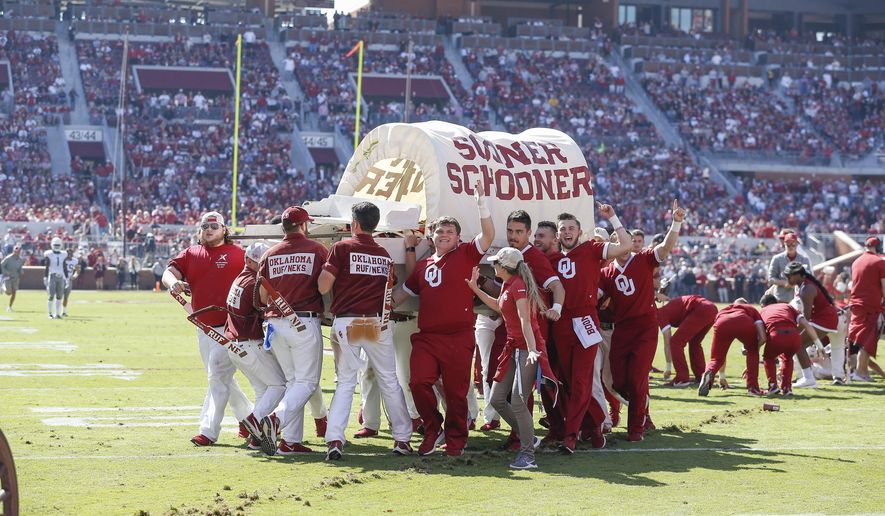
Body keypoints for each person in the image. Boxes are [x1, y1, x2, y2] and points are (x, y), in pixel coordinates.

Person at [393, 185, 494, 457]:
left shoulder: (466, 254)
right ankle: (432, 427)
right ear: (432, 236)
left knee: (455, 391)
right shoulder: (425, 267)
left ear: (458, 238)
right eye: (440, 231)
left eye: (450, 232)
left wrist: (481, 203)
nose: (444, 235)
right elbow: (402, 294)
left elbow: (489, 235)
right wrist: (373, 306)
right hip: (427, 336)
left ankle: (456, 437)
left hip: (458, 335)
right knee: (417, 382)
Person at [319, 201, 413, 460]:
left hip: (347, 322)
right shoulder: (383, 254)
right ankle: (403, 438)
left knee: (346, 383)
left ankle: (335, 437)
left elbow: (323, 287)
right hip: (374, 323)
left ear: (354, 223)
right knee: (389, 380)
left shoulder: (341, 248)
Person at [163, 211, 253, 446]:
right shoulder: (191, 253)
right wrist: (175, 284)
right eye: (205, 226)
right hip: (203, 326)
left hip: (231, 326)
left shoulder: (239, 254)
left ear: (224, 229)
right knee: (220, 377)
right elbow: (168, 273)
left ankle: (208, 430)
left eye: (214, 225)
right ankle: (249, 420)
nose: (209, 229)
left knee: (217, 376)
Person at [600, 200, 685, 442]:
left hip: (645, 327)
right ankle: (639, 404)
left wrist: (676, 222)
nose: (625, 247)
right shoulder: (606, 273)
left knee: (638, 378)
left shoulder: (644, 259)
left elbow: (667, 247)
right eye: (619, 242)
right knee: (616, 379)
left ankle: (635, 428)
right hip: (622, 328)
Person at [549, 207, 632, 453]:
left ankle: (570, 436)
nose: (566, 232)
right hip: (561, 323)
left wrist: (613, 218)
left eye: (571, 228)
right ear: (557, 234)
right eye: (562, 229)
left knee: (582, 379)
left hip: (586, 320)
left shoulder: (591, 249)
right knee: (569, 382)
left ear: (579, 232)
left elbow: (625, 246)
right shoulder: (550, 258)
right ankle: (595, 424)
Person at [255, 206, 330, 456]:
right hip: (303, 320)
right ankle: (276, 421)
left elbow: (263, 296)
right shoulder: (317, 249)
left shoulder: (270, 253)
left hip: (275, 323)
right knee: (307, 382)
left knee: (293, 382)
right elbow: (326, 284)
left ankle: (291, 441)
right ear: (304, 225)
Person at [466, 248, 548, 469]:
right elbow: (498, 306)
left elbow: (525, 321)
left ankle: (528, 454)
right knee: (497, 399)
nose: (493, 266)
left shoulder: (518, 285)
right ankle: (529, 439)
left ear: (504, 266)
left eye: (496, 263)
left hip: (524, 348)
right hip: (515, 348)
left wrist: (532, 350)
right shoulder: (509, 284)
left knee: (519, 401)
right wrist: (476, 288)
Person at [224, 242, 288, 453]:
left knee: (263, 389)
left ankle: (256, 439)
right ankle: (254, 419)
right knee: (279, 385)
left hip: (235, 344)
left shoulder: (240, 278)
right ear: (250, 261)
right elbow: (265, 310)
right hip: (248, 343)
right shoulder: (253, 282)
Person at [783, 261, 840, 388]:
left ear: (798, 275)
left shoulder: (807, 289)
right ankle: (808, 377)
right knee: (798, 344)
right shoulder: (803, 286)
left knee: (798, 344)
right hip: (823, 318)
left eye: (789, 276)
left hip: (825, 319)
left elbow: (806, 317)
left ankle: (808, 378)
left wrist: (794, 331)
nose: (787, 279)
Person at [759, 294, 823, 396]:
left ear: (763, 305)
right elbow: (806, 324)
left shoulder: (762, 311)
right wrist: (819, 344)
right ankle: (786, 388)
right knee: (787, 358)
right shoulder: (787, 306)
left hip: (776, 334)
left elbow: (762, 336)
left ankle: (773, 386)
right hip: (794, 336)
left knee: (768, 357)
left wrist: (753, 352)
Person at [698, 298, 766, 396]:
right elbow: (763, 337)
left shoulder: (724, 309)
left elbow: (721, 354)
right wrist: (753, 347)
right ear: (746, 304)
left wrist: (722, 377)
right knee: (753, 351)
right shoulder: (750, 308)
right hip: (744, 320)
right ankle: (753, 389)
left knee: (716, 358)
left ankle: (708, 372)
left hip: (722, 322)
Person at [656, 295, 718, 387]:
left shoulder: (659, 314)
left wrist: (668, 367)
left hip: (701, 309)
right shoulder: (665, 309)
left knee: (675, 342)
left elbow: (668, 341)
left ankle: (682, 378)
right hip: (711, 308)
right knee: (694, 343)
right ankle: (701, 376)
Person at [846, 236, 885, 381]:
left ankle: (853, 371)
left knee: (855, 339)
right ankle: (861, 373)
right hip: (871, 307)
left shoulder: (856, 262)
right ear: (878, 248)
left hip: (855, 305)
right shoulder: (880, 262)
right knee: (868, 340)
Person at [767, 232, 811, 302]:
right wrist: (784, 283)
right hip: (781, 298)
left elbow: (810, 277)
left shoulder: (804, 259)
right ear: (784, 244)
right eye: (788, 244)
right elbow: (770, 279)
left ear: (797, 245)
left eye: (793, 244)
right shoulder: (777, 259)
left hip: (799, 299)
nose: (791, 246)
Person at [44, 237, 67, 319]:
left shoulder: (64, 254)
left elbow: (64, 266)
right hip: (52, 275)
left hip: (60, 276)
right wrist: (45, 277)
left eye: (58, 245)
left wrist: (66, 277)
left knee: (59, 296)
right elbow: (47, 266)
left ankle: (57, 313)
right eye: (55, 245)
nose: (57, 246)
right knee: (51, 295)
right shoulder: (49, 254)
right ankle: (50, 313)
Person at [1, 245, 24, 312]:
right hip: (7, 277)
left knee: (14, 292)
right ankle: (2, 287)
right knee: (8, 293)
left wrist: (21, 271)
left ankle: (9, 307)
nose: (17, 252)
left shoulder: (20, 259)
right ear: (13, 251)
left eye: (18, 251)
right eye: (15, 251)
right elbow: (1, 266)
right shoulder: (8, 258)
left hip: (16, 278)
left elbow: (20, 268)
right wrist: (6, 272)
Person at [62, 249, 80, 318]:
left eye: (70, 253)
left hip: (69, 280)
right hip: (61, 279)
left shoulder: (75, 260)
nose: (69, 255)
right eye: (68, 253)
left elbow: (77, 270)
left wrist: (74, 276)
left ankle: (64, 312)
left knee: (66, 297)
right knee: (59, 296)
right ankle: (56, 312)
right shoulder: (62, 260)